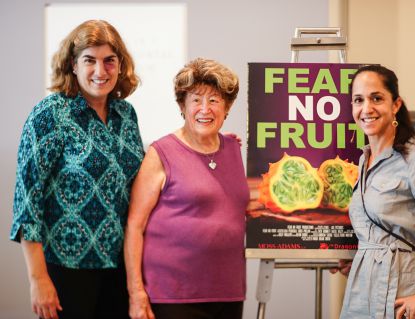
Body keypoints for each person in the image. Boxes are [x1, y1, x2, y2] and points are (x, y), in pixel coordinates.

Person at [10, 20, 144, 319]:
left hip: (119, 268)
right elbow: (27, 200)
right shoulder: (51, 113)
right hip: (65, 269)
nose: (100, 71)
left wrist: (206, 142)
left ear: (120, 65)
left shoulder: (126, 114)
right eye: (89, 60)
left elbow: (141, 182)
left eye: (109, 60)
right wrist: (38, 279)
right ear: (73, 65)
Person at [334, 65, 415, 319]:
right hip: (361, 290)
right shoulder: (364, 161)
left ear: (395, 105)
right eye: (358, 100)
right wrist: (365, 257)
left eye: (377, 98)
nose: (367, 108)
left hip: (403, 288)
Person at [124, 57, 249, 319]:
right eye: (196, 100)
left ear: (227, 107)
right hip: (173, 296)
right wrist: (136, 293)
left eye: (214, 100)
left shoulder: (234, 149)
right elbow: (135, 226)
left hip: (229, 292)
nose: (205, 109)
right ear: (183, 106)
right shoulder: (161, 152)